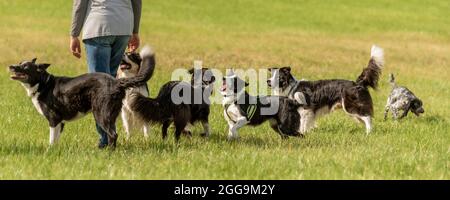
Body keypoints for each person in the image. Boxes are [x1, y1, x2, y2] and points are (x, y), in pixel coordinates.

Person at [70, 0, 142, 148]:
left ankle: (106, 140)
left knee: (99, 89)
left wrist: (74, 34)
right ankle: (110, 135)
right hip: (123, 27)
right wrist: (134, 31)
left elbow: (80, 3)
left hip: (98, 26)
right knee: (110, 84)